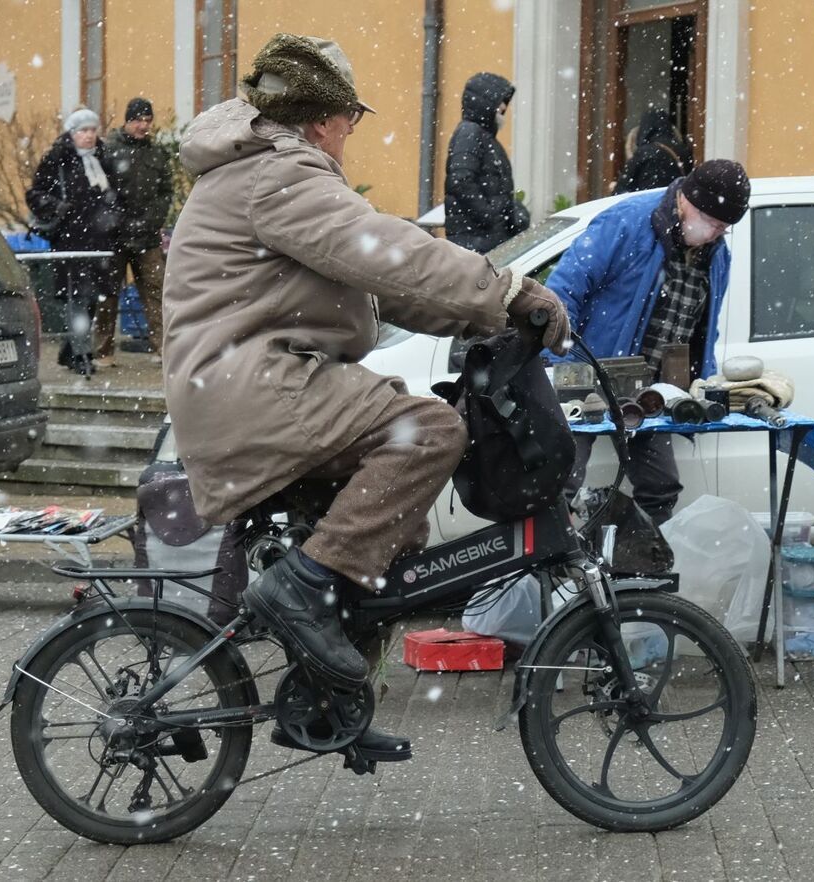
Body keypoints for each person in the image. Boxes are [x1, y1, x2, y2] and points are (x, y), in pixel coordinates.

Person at [162, 34, 569, 758]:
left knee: (387, 545)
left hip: (248, 385)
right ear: (325, 119)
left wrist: (485, 314)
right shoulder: (280, 176)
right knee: (430, 430)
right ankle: (300, 592)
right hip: (252, 389)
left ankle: (325, 703)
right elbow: (388, 251)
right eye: (351, 118)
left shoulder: (265, 172)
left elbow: (387, 288)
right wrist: (508, 289)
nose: (351, 133)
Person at [547, 159, 750, 525]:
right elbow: (561, 293)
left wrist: (703, 382)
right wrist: (562, 365)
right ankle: (553, 571)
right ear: (689, 201)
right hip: (585, 378)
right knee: (559, 480)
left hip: (652, 391)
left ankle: (641, 570)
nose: (717, 234)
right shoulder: (626, 222)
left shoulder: (716, 256)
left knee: (660, 487)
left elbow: (706, 327)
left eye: (725, 228)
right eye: (714, 224)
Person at [26, 108, 121, 376]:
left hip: (99, 243)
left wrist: (114, 219)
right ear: (72, 133)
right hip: (70, 241)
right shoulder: (57, 159)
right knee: (76, 298)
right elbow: (35, 193)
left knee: (92, 300)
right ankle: (81, 355)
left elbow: (116, 195)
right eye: (83, 131)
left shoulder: (104, 159)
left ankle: (70, 351)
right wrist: (56, 207)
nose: (89, 136)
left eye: (92, 130)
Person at [99, 97, 173, 366]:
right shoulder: (109, 150)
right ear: (128, 121)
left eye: (148, 120)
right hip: (114, 235)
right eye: (139, 120)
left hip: (148, 235)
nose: (144, 126)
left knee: (157, 291)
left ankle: (164, 349)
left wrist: (152, 219)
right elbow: (100, 191)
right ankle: (103, 351)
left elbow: (166, 191)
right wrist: (115, 219)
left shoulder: (156, 153)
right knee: (107, 294)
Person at [443, 72, 529, 254]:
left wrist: (510, 216)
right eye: (501, 102)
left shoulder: (483, 137)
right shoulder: (470, 133)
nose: (505, 107)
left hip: (483, 242)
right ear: (486, 103)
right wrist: (490, 216)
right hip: (478, 243)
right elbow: (460, 180)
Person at [614, 109, 694, 195]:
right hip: (673, 202)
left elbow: (622, 189)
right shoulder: (684, 151)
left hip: (647, 203)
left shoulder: (644, 152)